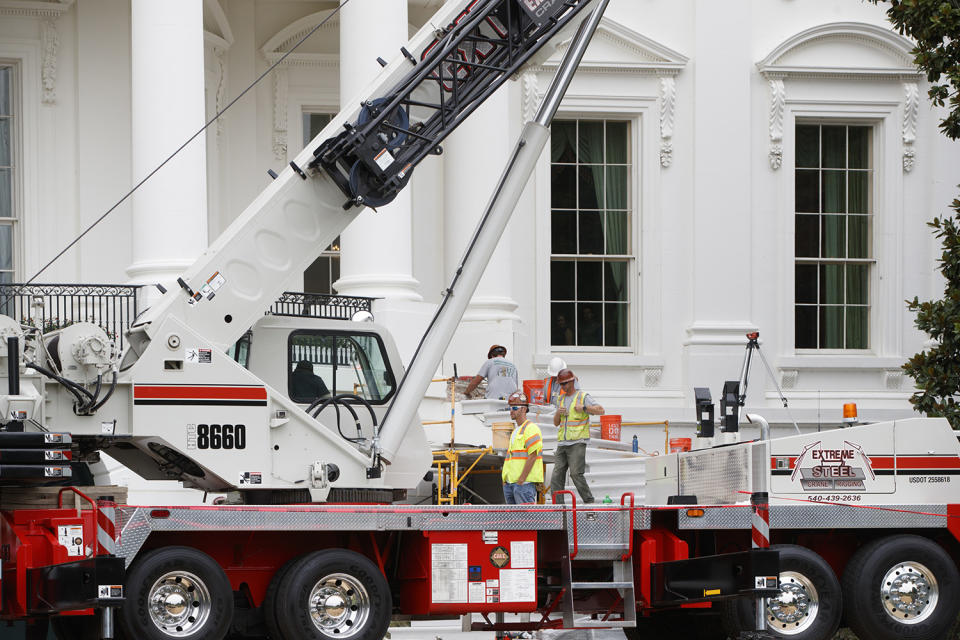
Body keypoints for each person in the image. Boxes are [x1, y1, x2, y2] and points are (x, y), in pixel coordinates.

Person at [550, 368, 603, 504]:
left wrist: (584, 408)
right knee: (556, 475)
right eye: (560, 384)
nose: (562, 387)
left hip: (578, 442)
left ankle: (589, 500)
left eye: (564, 384)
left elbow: (601, 410)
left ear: (572, 382)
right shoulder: (560, 399)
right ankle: (558, 506)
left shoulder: (583, 396)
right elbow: (556, 423)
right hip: (563, 443)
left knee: (575, 473)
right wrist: (558, 413)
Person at [501, 391, 544, 504]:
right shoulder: (516, 431)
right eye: (510, 408)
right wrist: (505, 480)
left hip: (523, 485)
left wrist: (521, 480)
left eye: (514, 407)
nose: (511, 410)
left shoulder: (531, 429)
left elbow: (533, 456)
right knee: (514, 521)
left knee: (526, 521)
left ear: (524, 409)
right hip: (511, 484)